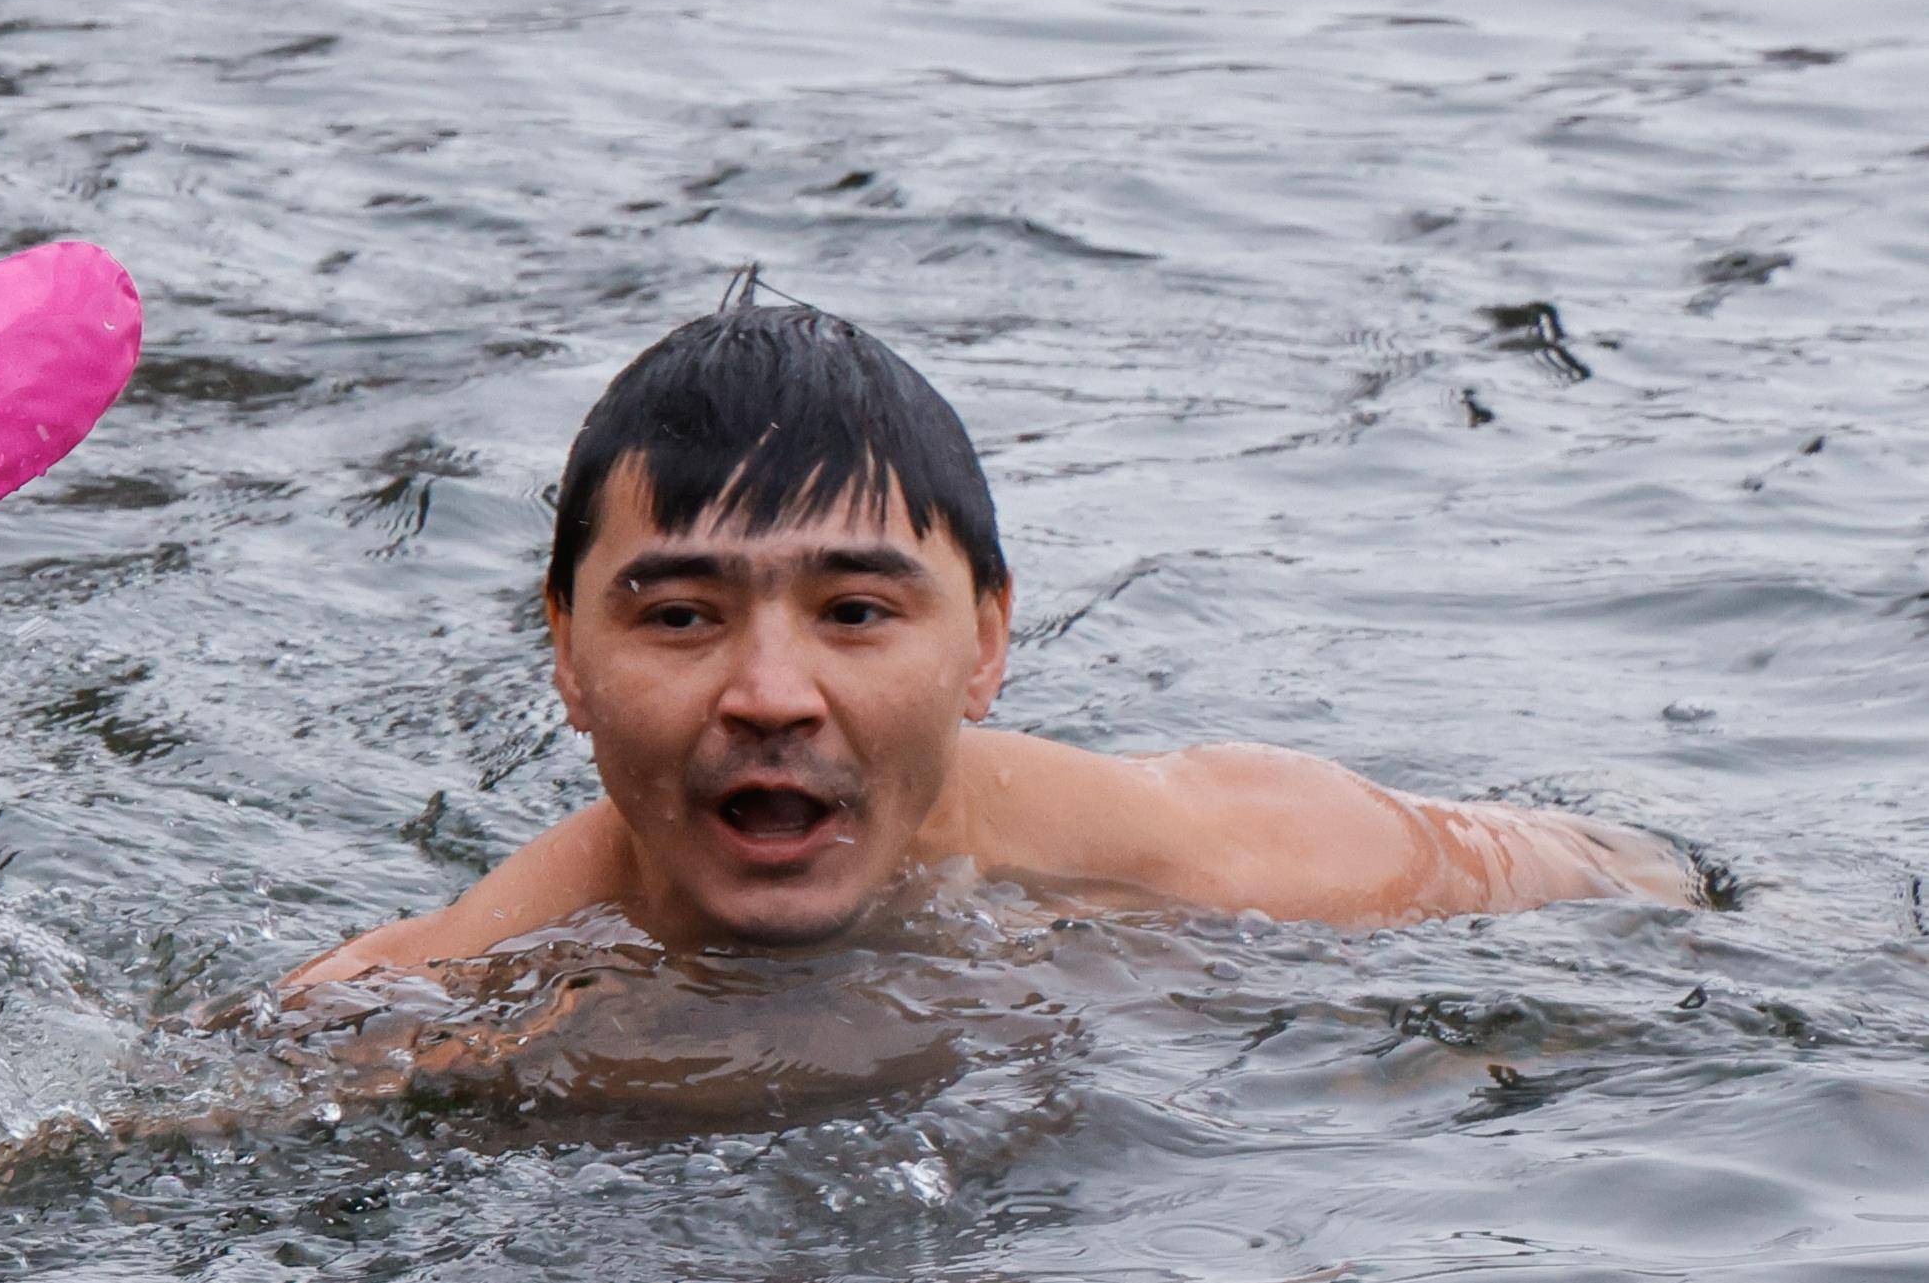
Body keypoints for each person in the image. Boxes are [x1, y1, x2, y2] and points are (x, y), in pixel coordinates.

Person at [290, 291, 1686, 988]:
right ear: (566, 658)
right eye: (677, 617)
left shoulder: (1223, 859)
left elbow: (1653, 888)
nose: (769, 694)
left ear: (985, 643)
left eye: (853, 612)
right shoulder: (458, 991)